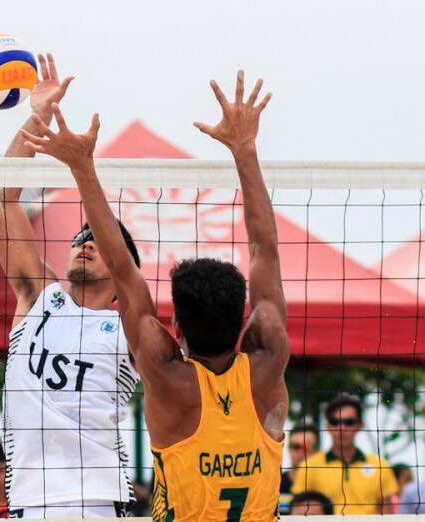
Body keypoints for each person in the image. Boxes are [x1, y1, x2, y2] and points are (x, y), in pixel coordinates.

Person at [22, 70, 289, 521]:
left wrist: (83, 169)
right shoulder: (269, 363)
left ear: (177, 329)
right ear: (245, 319)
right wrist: (245, 149)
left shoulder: (171, 382)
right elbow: (266, 248)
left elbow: (125, 274)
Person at [0, 54, 139, 518]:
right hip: (30, 502)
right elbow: (0, 196)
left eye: (97, 241)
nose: (84, 244)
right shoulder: (40, 296)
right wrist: (38, 116)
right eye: (79, 238)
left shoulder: (132, 326)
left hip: (96, 500)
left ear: (122, 267)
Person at [292, 394, 399, 514]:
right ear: (327, 426)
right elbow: (300, 512)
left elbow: (386, 514)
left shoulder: (380, 466)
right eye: (335, 422)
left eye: (349, 422)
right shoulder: (308, 467)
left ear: (360, 425)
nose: (341, 428)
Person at [279, 420, 318, 514]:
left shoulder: (323, 483)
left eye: (305, 447)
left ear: (316, 450)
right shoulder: (276, 483)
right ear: (288, 448)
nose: (301, 452)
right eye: (296, 446)